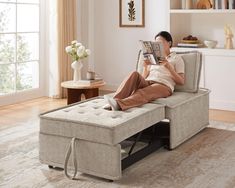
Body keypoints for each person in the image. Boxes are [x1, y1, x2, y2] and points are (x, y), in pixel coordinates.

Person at [104, 31, 185, 111]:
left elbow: (181, 81)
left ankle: (119, 104)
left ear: (169, 43)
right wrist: (146, 67)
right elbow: (144, 77)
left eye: (160, 43)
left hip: (164, 85)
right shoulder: (153, 57)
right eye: (156, 44)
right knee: (134, 74)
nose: (158, 46)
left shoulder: (177, 58)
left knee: (143, 92)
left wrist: (168, 67)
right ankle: (115, 100)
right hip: (148, 82)